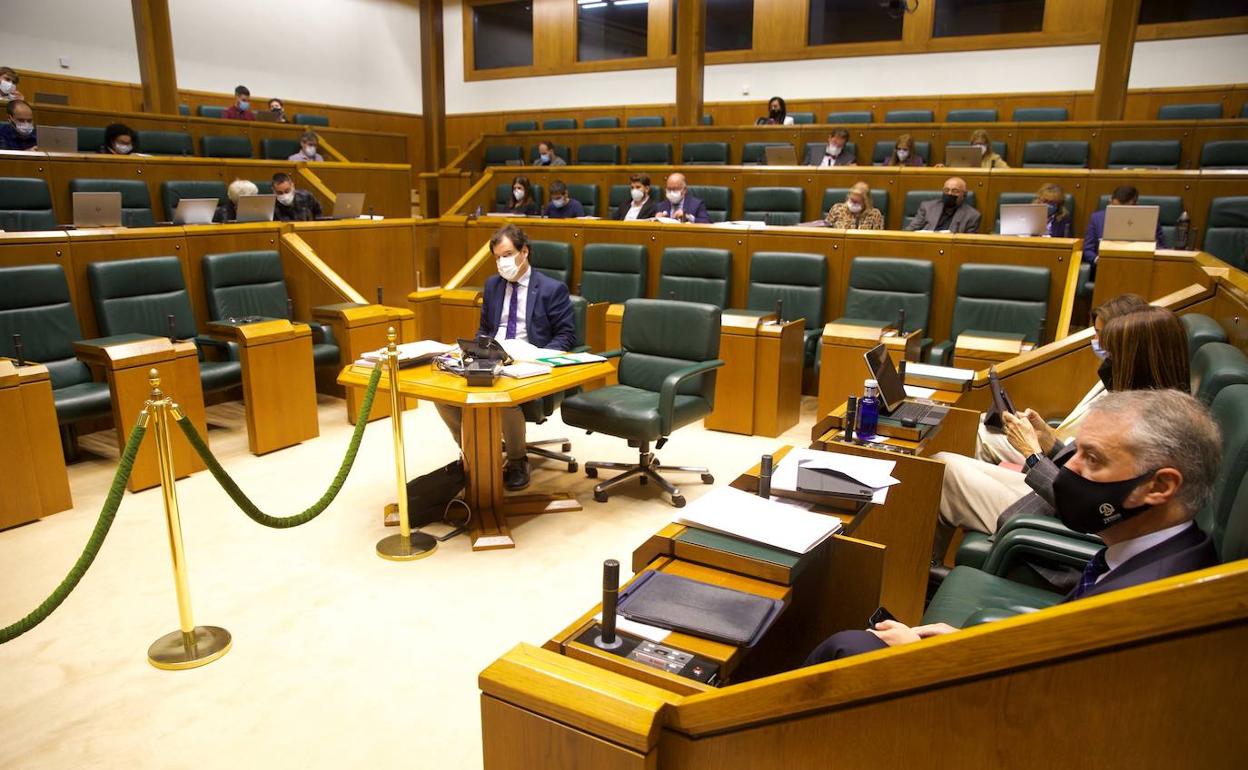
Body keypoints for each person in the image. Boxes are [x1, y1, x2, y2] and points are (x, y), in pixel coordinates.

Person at [806, 388, 1222, 664]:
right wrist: (963, 641)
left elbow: (1047, 700)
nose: (1067, 471)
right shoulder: (1165, 549)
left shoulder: (1142, 605)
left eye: (1092, 459)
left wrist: (934, 658)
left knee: (850, 646)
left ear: (1160, 486)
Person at [934, 303, 1190, 543]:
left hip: (1060, 523)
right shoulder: (1156, 406)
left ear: (1137, 362)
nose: (1105, 363)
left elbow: (1084, 505)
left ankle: (918, 575)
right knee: (943, 463)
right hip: (1047, 502)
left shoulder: (1146, 429)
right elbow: (1084, 475)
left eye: (1113, 355)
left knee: (940, 472)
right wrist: (1049, 441)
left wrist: (1033, 454)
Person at [435, 225, 576, 491]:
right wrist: (475, 350)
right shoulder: (492, 285)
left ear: (524, 252)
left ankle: (516, 460)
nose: (502, 262)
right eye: (497, 257)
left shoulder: (551, 289)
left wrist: (536, 357)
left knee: (501, 399)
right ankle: (471, 453)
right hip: (493, 356)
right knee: (442, 394)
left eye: (507, 254)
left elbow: (566, 336)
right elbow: (485, 329)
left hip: (529, 361)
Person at [1083, 185, 1168, 264]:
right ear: (1110, 202)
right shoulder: (1096, 219)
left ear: (1135, 205)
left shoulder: (1150, 220)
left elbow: (1161, 250)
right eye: (1115, 209)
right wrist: (1097, 260)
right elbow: (1087, 250)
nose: (1119, 214)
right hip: (1105, 267)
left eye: (1124, 210)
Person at [905, 177, 980, 233]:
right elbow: (910, 230)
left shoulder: (972, 216)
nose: (949, 194)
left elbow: (968, 244)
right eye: (946, 190)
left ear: (964, 194)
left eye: (955, 191)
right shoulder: (927, 207)